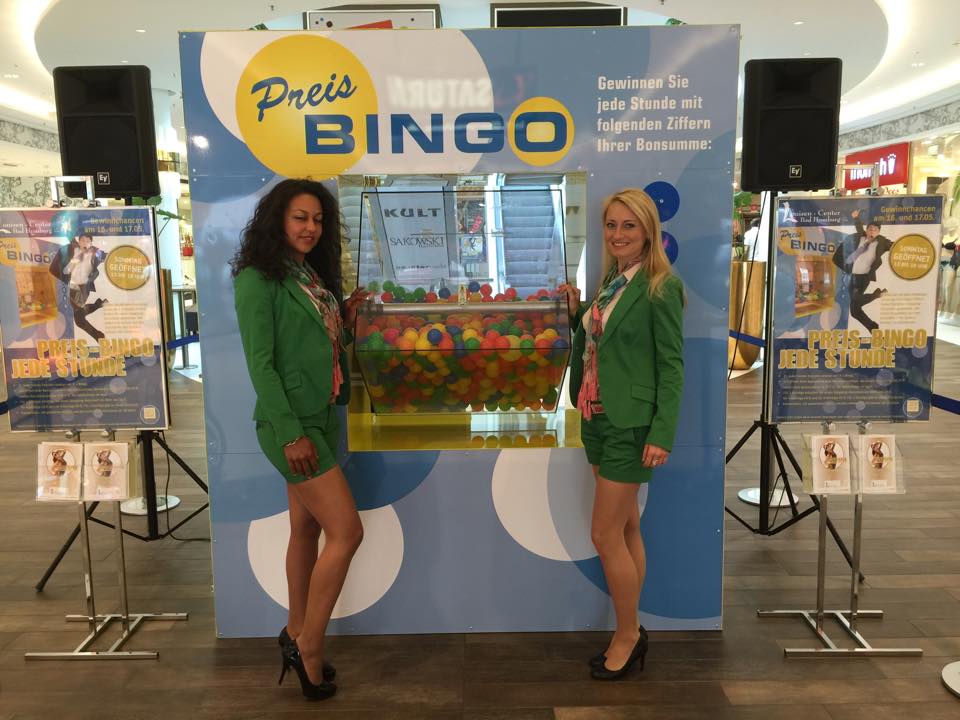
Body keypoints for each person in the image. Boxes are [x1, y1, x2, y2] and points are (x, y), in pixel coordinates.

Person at [231, 178, 369, 701]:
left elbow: (318, 346)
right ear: (277, 220)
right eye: (300, 218)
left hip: (322, 417)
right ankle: (309, 646)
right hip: (290, 426)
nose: (310, 228)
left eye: (317, 220)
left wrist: (346, 323)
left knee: (305, 530)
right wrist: (291, 434)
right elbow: (261, 365)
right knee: (347, 532)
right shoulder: (257, 279)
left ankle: (295, 629)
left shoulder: (309, 276)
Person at [556, 188, 684, 680]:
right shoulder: (612, 282)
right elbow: (605, 339)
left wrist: (661, 433)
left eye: (629, 225)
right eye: (611, 225)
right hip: (597, 417)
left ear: (648, 230)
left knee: (604, 534)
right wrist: (578, 313)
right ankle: (631, 630)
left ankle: (628, 635)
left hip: (631, 425)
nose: (617, 234)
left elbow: (671, 367)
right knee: (626, 528)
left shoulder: (661, 288)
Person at [832, 209, 892, 333]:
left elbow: (896, 246)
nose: (872, 231)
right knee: (855, 310)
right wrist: (855, 217)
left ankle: (877, 295)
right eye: (870, 229)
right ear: (866, 230)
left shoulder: (882, 243)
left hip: (864, 277)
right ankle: (873, 328)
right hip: (852, 276)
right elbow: (859, 227)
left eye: (875, 230)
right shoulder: (860, 237)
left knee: (855, 300)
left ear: (878, 232)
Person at [49, 233, 107, 341]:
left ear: (91, 243)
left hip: (85, 288)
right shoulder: (74, 253)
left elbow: (107, 256)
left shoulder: (95, 252)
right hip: (73, 287)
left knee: (79, 318)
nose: (85, 243)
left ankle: (98, 333)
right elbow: (66, 271)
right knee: (80, 316)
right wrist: (75, 260)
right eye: (83, 241)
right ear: (79, 242)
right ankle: (99, 306)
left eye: (88, 241)